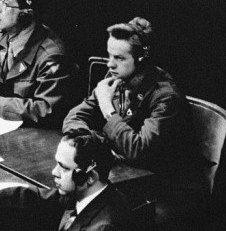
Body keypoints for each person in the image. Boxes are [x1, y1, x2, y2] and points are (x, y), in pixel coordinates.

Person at [62, 18, 203, 210]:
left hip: (167, 190)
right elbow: (75, 116)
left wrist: (107, 108)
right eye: (109, 55)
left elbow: (138, 150)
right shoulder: (118, 77)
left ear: (141, 59)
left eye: (119, 58)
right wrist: (87, 143)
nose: (110, 65)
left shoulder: (165, 97)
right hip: (129, 176)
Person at [0, 129, 136, 230]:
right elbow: (26, 196)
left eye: (64, 168)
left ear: (90, 177)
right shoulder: (83, 195)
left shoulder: (104, 226)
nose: (54, 172)